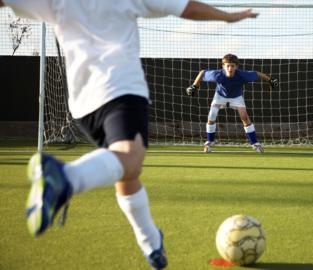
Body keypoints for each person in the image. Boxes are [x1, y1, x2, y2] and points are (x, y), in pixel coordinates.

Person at [0, 0, 257, 269]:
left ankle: (151, 243)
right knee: (130, 158)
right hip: (121, 92)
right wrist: (228, 17)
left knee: (124, 169)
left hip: (83, 104)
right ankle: (67, 179)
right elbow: (187, 8)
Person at [186, 54, 278, 153]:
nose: (230, 68)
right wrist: (194, 86)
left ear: (236, 66)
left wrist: (270, 80)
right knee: (211, 115)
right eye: (227, 66)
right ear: (223, 66)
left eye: (232, 66)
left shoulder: (242, 75)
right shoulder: (217, 75)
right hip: (220, 96)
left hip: (237, 97)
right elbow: (202, 73)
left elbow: (257, 74)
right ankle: (209, 143)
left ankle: (255, 144)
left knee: (245, 117)